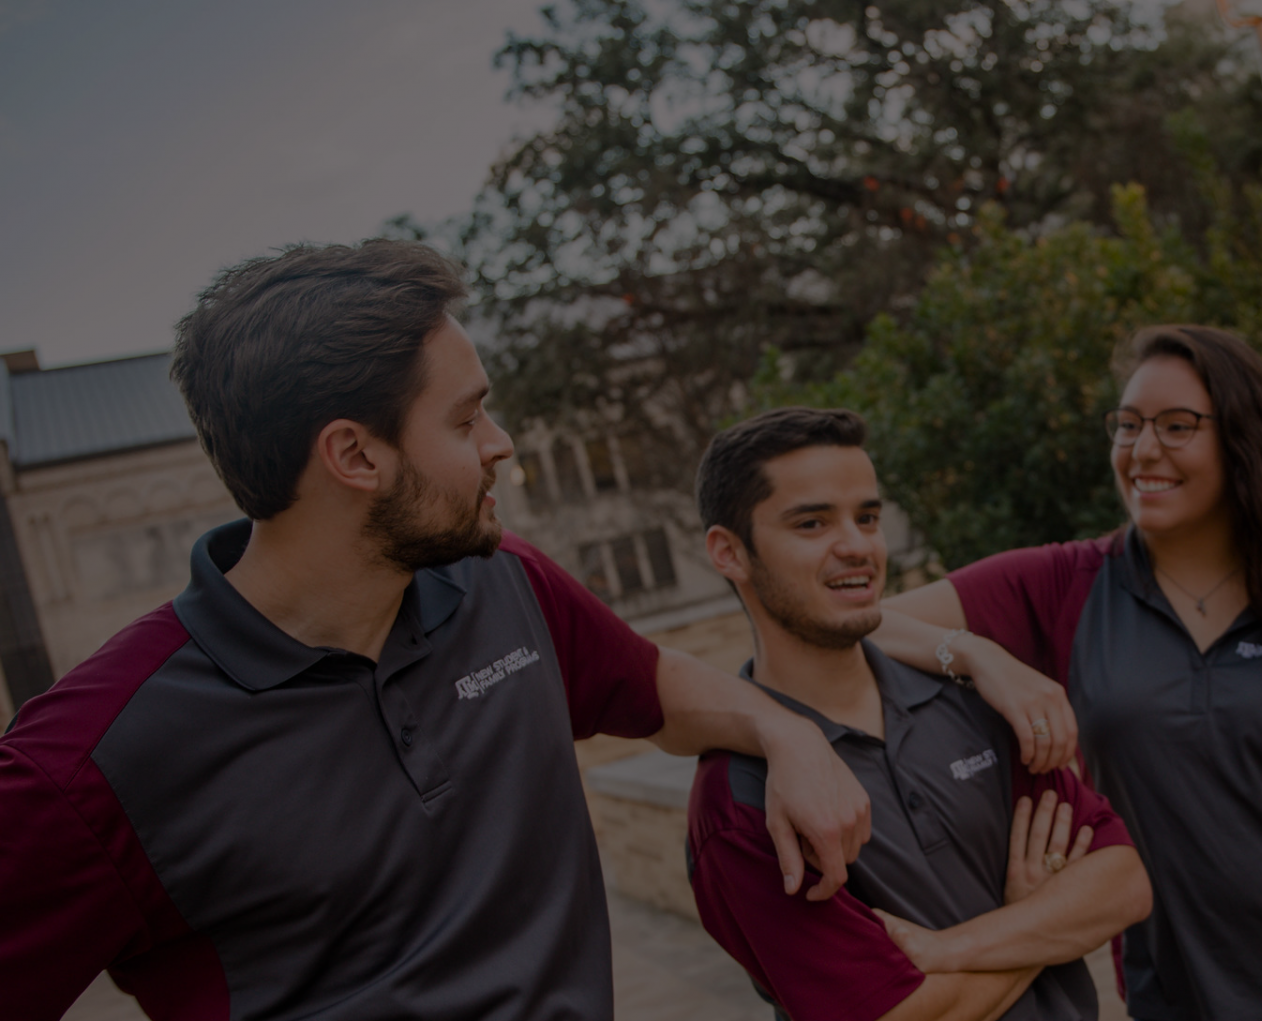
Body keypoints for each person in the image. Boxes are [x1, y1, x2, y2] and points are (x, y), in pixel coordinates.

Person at [0, 240, 872, 1020]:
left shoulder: (505, 584)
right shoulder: (87, 759)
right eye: (465, 419)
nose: (500, 442)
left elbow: (651, 684)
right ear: (355, 456)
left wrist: (783, 728)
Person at [873, 326, 1262, 1021]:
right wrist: (980, 654)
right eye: (1129, 424)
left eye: (1177, 425)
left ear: (1244, 439)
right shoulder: (1065, 584)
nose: (1144, 449)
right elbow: (862, 619)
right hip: (1179, 999)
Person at [686, 407, 1153, 1021]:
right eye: (811, 522)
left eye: (868, 517)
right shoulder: (741, 802)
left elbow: (1122, 883)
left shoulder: (975, 700)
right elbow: (896, 1015)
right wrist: (1038, 924)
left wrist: (950, 948)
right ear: (729, 552)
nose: (856, 546)